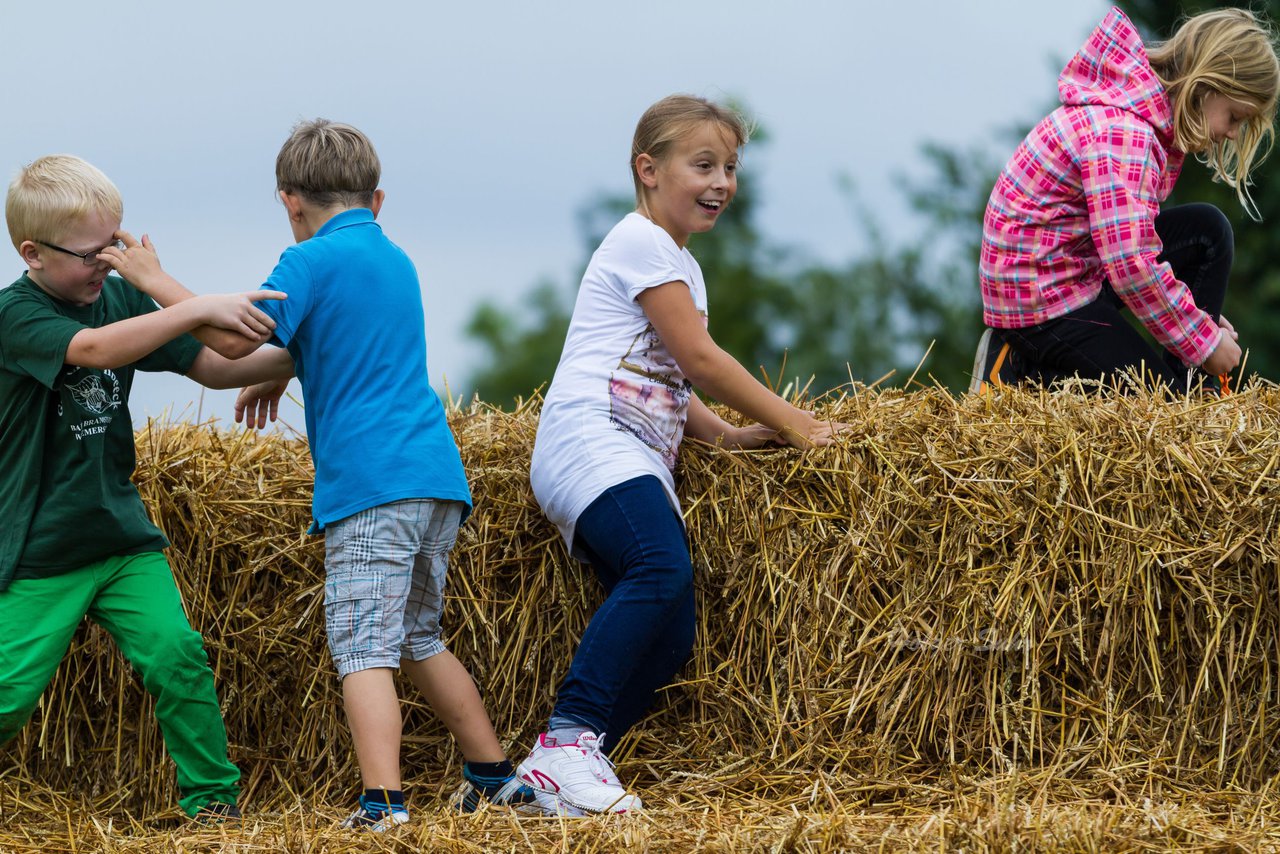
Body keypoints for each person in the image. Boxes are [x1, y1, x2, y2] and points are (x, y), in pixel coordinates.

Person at [107, 119, 546, 830]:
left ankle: (384, 804)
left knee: (361, 645)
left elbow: (228, 334)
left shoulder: (306, 261)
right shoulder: (394, 258)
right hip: (435, 476)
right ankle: (493, 776)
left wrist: (160, 285)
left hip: (371, 486)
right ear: (376, 200)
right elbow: (339, 341)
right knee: (418, 636)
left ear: (289, 199)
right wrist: (293, 363)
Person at [514, 94, 842, 815]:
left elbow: (662, 376)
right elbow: (697, 357)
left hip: (629, 450)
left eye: (730, 166)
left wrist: (725, 437)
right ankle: (568, 741)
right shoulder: (639, 242)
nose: (721, 181)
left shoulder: (678, 264)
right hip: (591, 438)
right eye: (703, 164)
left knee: (672, 633)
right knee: (659, 567)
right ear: (648, 169)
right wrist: (792, 422)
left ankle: (551, 773)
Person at [0, 154, 291, 822]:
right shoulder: (15, 317)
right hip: (40, 545)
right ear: (32, 253)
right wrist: (191, 303)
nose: (108, 262)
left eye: (116, 243)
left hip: (120, 537)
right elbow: (96, 351)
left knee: (177, 655)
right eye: (89, 252)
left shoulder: (122, 294)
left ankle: (213, 805)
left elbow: (220, 367)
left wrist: (309, 355)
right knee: (8, 698)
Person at [971, 7, 1279, 394]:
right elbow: (1131, 265)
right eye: (1234, 117)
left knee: (1207, 231)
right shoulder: (1125, 133)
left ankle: (1197, 404)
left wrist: (1198, 318)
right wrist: (1202, 341)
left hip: (1074, 272)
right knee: (1155, 411)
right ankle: (1022, 368)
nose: (1232, 134)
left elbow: (1138, 246)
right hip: (1041, 302)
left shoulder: (1139, 117)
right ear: (1208, 85)